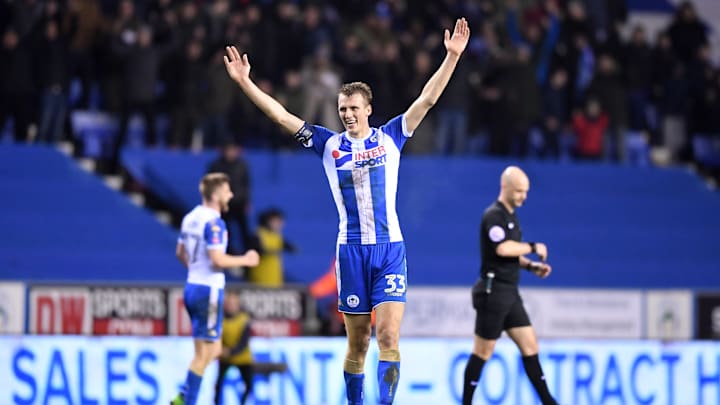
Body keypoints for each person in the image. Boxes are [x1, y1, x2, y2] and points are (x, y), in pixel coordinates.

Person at [224, 17, 470, 405]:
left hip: (390, 249)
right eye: (342, 109)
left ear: (369, 108)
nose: (347, 114)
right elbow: (281, 116)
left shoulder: (392, 136)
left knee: (388, 336)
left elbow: (427, 99)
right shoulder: (328, 145)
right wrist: (245, 83)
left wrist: (451, 57)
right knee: (358, 344)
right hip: (351, 253)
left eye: (354, 107)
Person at [462, 166, 558, 405]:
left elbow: (511, 254)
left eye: (525, 192)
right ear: (504, 188)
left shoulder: (511, 217)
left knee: (530, 345)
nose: (523, 197)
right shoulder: (494, 216)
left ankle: (548, 401)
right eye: (519, 192)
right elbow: (503, 248)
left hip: (509, 292)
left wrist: (531, 266)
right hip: (493, 292)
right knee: (483, 352)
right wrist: (533, 247)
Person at [172, 173, 259, 405]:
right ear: (216, 193)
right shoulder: (214, 222)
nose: (230, 194)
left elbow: (180, 253)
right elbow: (217, 260)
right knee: (204, 354)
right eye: (227, 190)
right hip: (208, 291)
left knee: (213, 348)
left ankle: (183, 396)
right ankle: (185, 400)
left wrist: (196, 271)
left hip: (193, 285)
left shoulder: (191, 217)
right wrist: (246, 260)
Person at [207, 143, 252, 254]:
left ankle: (248, 250)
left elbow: (246, 184)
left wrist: (246, 201)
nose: (231, 153)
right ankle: (225, 250)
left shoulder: (242, 166)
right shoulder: (216, 166)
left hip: (238, 202)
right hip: (222, 203)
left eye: (233, 150)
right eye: (229, 150)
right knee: (223, 228)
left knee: (243, 228)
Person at [214, 290, 254, 405]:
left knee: (248, 385)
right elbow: (216, 338)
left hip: (242, 358)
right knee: (218, 385)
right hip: (225, 357)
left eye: (233, 303)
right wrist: (220, 350)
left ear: (237, 304)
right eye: (228, 303)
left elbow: (243, 342)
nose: (230, 306)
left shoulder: (244, 319)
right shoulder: (220, 319)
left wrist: (229, 351)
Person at [247, 208, 296, 287]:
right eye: (277, 221)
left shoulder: (277, 236)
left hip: (275, 280)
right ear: (269, 221)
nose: (280, 224)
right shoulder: (258, 234)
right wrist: (272, 251)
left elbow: (291, 248)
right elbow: (258, 251)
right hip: (258, 279)